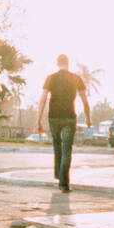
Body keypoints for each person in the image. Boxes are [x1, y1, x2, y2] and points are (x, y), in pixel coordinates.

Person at [37, 55, 91, 193]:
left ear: (57, 63)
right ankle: (64, 184)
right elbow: (85, 101)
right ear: (68, 63)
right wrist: (88, 118)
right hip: (69, 118)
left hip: (53, 117)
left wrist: (38, 120)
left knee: (57, 146)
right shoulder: (76, 78)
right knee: (67, 150)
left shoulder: (50, 78)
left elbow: (42, 100)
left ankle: (59, 175)